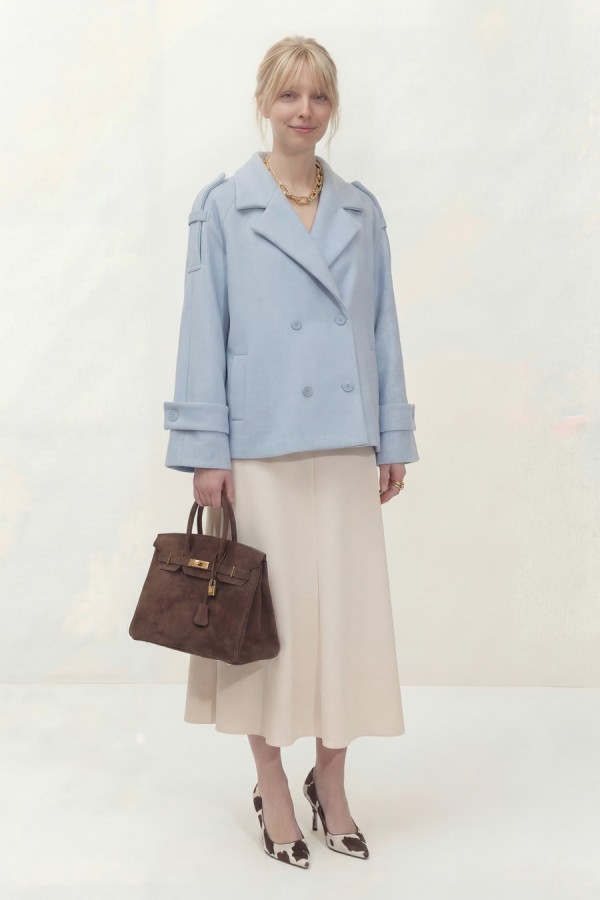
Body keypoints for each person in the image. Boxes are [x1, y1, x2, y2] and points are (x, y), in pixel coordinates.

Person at [163, 35, 419, 869]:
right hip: (258, 445)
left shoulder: (361, 211)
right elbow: (203, 331)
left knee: (346, 620)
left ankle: (331, 782)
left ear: (332, 107)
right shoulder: (223, 207)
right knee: (262, 623)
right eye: (288, 96)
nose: (304, 112)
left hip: (344, 444)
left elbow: (381, 328)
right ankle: (273, 783)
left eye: (318, 97)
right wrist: (206, 448)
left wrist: (392, 435)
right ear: (263, 103)